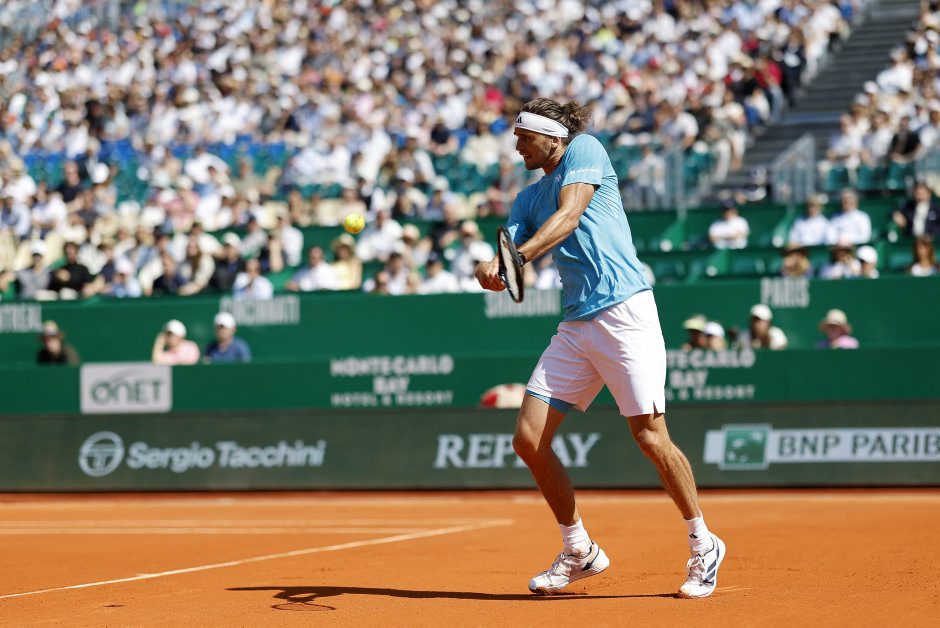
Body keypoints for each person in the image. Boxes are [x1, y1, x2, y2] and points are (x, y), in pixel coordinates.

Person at [474, 98, 724, 599]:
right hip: (577, 324)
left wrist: (518, 258)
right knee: (528, 439)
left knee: (650, 437)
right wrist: (491, 269)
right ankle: (579, 550)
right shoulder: (526, 199)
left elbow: (569, 216)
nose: (518, 147)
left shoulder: (585, 149)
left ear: (553, 138)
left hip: (625, 311)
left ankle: (704, 542)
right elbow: (506, 252)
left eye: (525, 138)